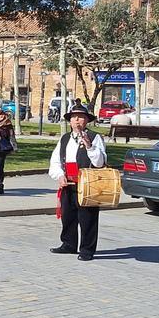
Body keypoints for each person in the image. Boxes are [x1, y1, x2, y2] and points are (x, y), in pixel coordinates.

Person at [48, 104, 106, 261]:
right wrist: (59, 176)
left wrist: (89, 146)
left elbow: (100, 162)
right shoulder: (65, 138)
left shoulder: (94, 137)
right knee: (68, 215)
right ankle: (69, 244)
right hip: (68, 183)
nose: (77, 120)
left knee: (88, 218)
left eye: (81, 117)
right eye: (74, 117)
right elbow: (55, 161)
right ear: (70, 121)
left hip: (87, 184)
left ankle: (87, 249)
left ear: (86, 120)